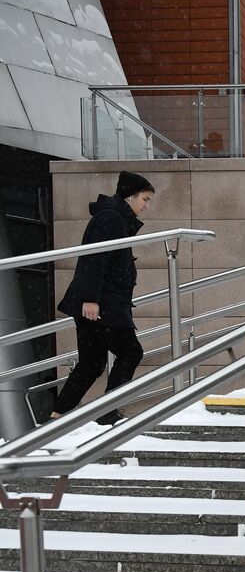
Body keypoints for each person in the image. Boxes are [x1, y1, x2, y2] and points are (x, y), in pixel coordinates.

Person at [50, 171, 153, 426]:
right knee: (130, 352)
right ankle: (107, 410)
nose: (146, 205)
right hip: (102, 304)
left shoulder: (115, 218)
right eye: (145, 198)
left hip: (101, 302)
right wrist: (90, 299)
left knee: (92, 363)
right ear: (130, 197)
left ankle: (55, 419)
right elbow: (94, 259)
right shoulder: (112, 218)